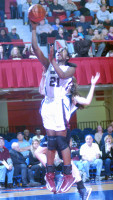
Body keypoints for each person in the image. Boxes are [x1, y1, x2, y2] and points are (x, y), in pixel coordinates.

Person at [31, 18, 100, 194]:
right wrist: (33, 30)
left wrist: (92, 85)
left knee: (56, 148)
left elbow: (86, 100)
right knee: (44, 150)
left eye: (62, 51)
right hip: (50, 114)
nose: (59, 52)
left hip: (61, 121)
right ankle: (59, 176)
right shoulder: (53, 74)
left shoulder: (71, 91)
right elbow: (37, 52)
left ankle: (76, 183)